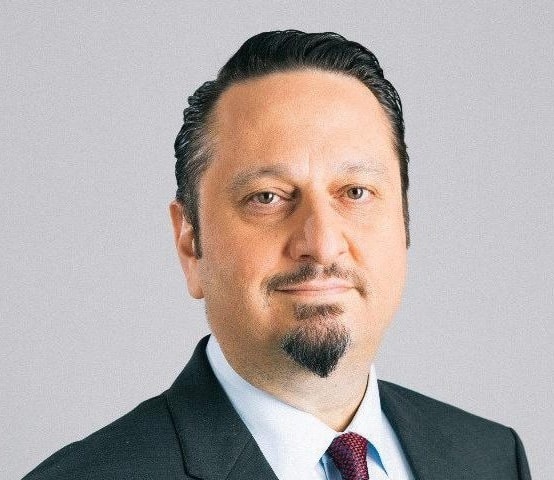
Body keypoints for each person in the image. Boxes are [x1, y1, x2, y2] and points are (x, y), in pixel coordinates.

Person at [23, 30, 531, 480]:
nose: (321, 243)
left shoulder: (490, 458)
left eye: (355, 192)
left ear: (404, 221)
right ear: (191, 244)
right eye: (267, 197)